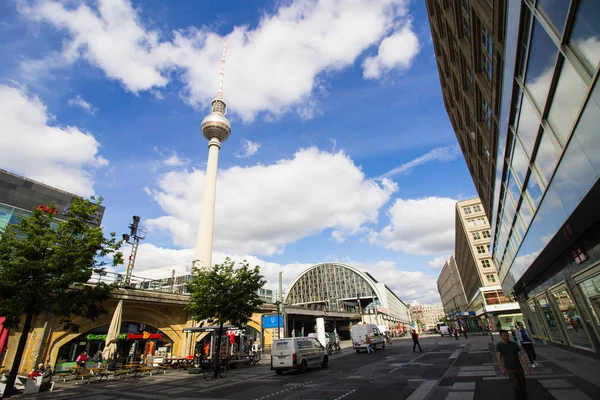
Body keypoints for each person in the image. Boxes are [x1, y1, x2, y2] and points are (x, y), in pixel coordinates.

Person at [496, 329, 531, 400]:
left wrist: (527, 367)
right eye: (504, 336)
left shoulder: (514, 344)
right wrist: (502, 368)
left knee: (523, 386)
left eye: (507, 336)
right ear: (500, 336)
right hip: (510, 368)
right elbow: (499, 357)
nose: (506, 337)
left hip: (519, 367)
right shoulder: (499, 345)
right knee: (515, 386)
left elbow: (521, 355)